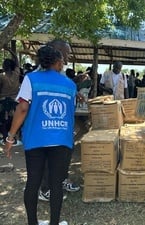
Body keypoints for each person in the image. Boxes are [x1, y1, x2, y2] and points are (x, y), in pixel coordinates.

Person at [4, 45, 76, 225]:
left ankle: (33, 223)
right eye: (62, 62)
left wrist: (10, 137)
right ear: (58, 62)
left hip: (36, 139)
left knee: (33, 182)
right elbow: (69, 112)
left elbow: (22, 108)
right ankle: (54, 223)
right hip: (61, 140)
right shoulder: (70, 84)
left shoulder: (31, 79)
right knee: (56, 184)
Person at [39, 40, 80, 203]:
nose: (69, 56)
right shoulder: (41, 74)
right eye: (67, 52)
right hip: (49, 124)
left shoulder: (61, 73)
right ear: (57, 52)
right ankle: (45, 189)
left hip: (63, 124)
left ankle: (61, 180)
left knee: (64, 154)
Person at [0, 47, 22, 146]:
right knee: (14, 120)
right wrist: (10, 50)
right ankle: (13, 138)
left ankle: (5, 138)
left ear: (4, 66)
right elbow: (17, 61)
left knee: (2, 121)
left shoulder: (2, 77)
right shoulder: (16, 74)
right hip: (15, 101)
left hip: (3, 101)